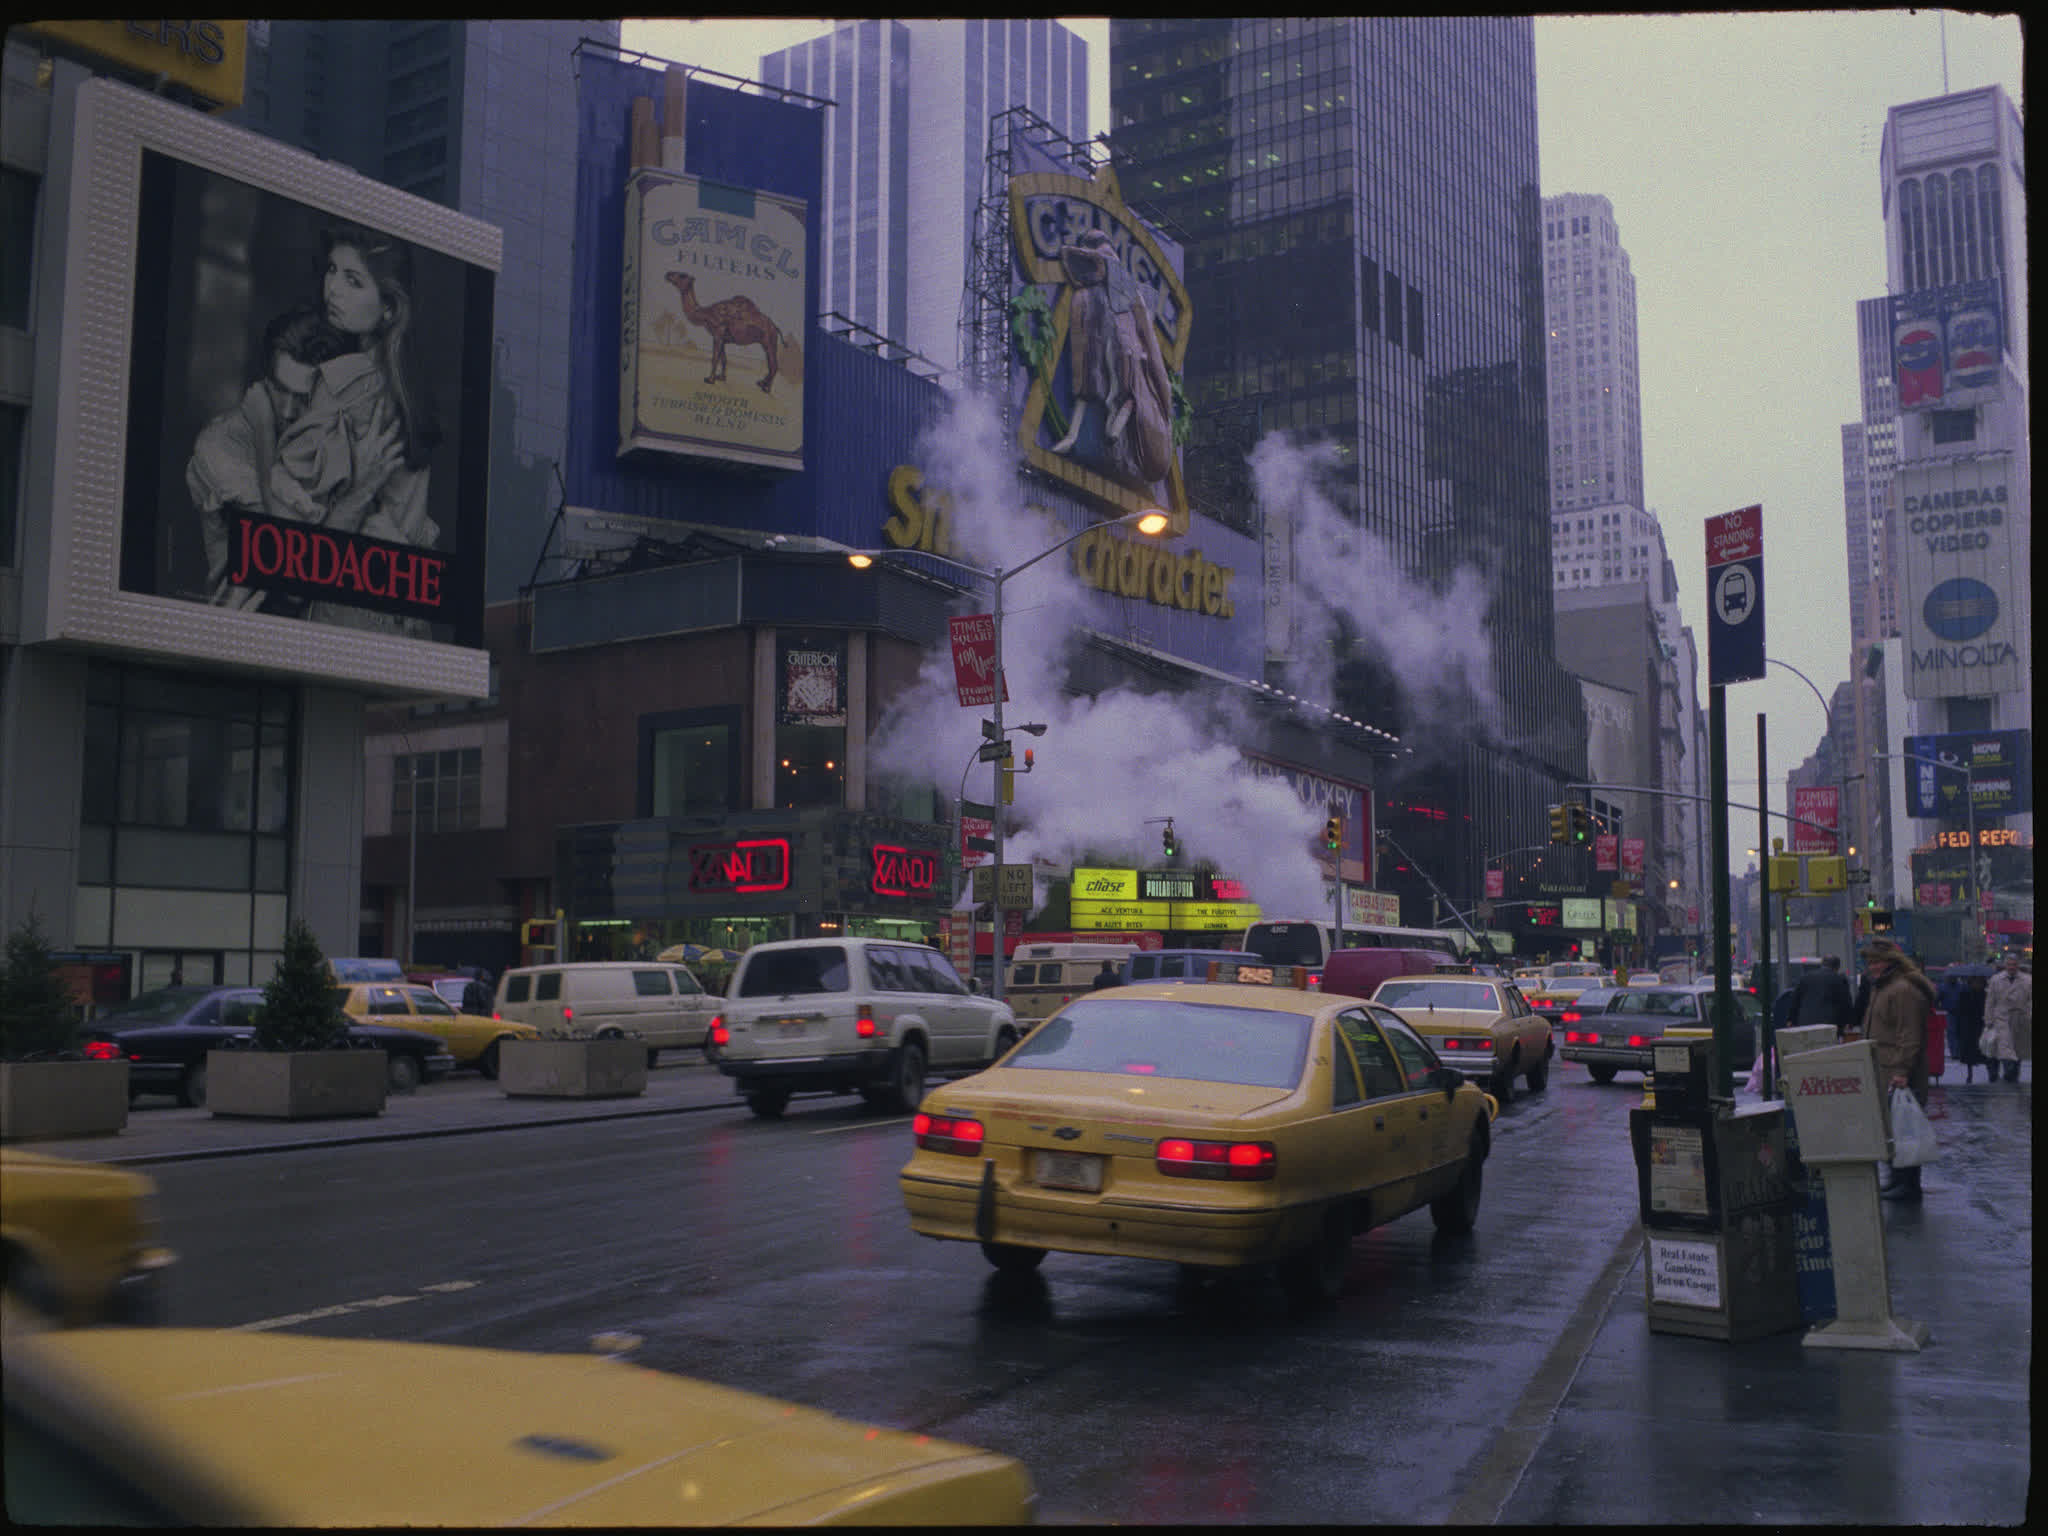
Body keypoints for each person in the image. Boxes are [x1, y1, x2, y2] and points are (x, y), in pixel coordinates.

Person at [272, 223, 444, 631]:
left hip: (342, 616)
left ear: (388, 309)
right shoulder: (409, 393)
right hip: (398, 621)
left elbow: (289, 556)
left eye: (353, 281)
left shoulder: (342, 384)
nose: (333, 290)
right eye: (332, 271)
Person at [187, 304, 354, 609]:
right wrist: (264, 429)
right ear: (263, 381)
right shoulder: (220, 443)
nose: (288, 411)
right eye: (279, 390)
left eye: (304, 398)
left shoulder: (332, 441)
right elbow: (290, 552)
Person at [1862, 937, 1936, 1201]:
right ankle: (1896, 1179)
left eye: (1877, 962)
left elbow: (1909, 1035)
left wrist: (1902, 1070)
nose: (1872, 967)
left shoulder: (1902, 990)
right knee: (1891, 1127)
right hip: (1883, 1067)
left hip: (1897, 1069)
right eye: (1869, 962)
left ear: (1892, 962)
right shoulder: (1882, 987)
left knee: (1905, 1130)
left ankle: (1908, 1184)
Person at [1981, 951, 2031, 1085]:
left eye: (2014, 964)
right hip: (2001, 1019)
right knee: (2000, 1048)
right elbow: (1990, 1001)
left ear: (2018, 965)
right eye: (2009, 964)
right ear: (2005, 965)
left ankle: (2013, 1075)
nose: (2011, 967)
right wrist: (1988, 1020)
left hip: (2020, 1019)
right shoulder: (1996, 980)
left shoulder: (2028, 980)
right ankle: (2002, 1073)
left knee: (2018, 1049)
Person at [1791, 955, 1856, 1033]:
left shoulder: (1805, 977)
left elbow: (1795, 1000)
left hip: (1805, 1024)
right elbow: (1846, 1003)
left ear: (1822, 964)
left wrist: (1792, 1020)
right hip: (1829, 1026)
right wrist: (1850, 1022)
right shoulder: (1839, 979)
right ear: (1837, 967)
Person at [1952, 971, 1990, 1084]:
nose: (1977, 984)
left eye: (1979, 982)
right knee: (1971, 1053)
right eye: (1975, 982)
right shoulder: (1965, 993)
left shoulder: (1985, 994)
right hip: (1969, 1027)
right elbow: (1959, 1011)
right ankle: (1971, 1074)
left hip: (1979, 1026)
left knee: (1984, 1051)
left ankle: (1987, 1072)